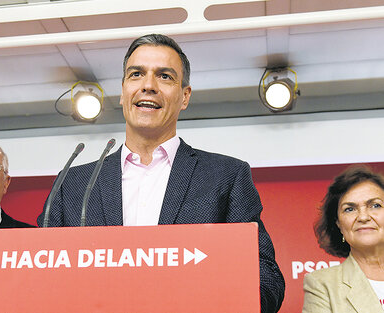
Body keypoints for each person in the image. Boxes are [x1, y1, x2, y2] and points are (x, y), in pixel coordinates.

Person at [38, 33, 284, 312]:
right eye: (136, 74)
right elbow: (40, 277)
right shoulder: (72, 184)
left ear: (185, 96)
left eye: (165, 76)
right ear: (122, 92)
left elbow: (267, 281)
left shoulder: (226, 176)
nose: (148, 86)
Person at [303, 166, 384, 312]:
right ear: (338, 223)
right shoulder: (322, 284)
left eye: (375, 205)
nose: (363, 217)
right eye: (350, 209)